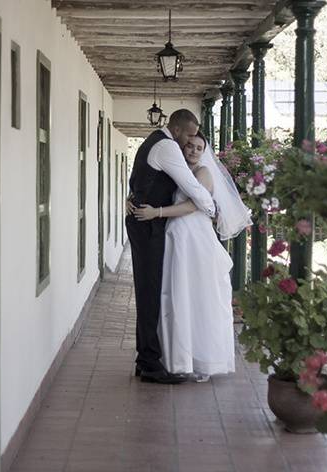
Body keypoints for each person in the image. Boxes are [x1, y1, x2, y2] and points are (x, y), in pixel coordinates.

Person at [131, 132, 252, 382]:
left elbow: (196, 205)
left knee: (194, 295)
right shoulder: (179, 170)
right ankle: (174, 356)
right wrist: (133, 200)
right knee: (174, 296)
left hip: (193, 237)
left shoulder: (204, 173)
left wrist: (157, 212)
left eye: (199, 147)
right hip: (176, 236)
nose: (194, 150)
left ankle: (198, 357)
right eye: (190, 145)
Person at [125, 110, 216, 384]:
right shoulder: (166, 146)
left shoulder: (156, 142)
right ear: (176, 130)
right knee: (150, 292)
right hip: (147, 225)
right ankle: (150, 364)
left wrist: (133, 198)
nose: (191, 142)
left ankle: (146, 359)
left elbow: (140, 181)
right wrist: (211, 207)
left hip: (146, 222)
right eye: (189, 135)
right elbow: (191, 186)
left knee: (149, 290)